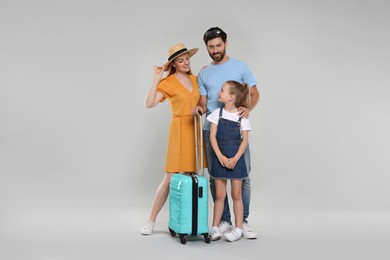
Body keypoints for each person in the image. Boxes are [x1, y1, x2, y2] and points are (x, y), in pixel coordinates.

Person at [194, 27, 260, 239]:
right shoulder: (204, 73)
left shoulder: (241, 67)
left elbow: (255, 93)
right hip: (211, 129)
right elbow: (204, 104)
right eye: (211, 47)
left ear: (226, 43)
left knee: (243, 176)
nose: (215, 50)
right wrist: (197, 109)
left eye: (218, 45)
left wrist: (247, 108)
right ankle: (223, 221)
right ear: (207, 48)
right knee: (216, 177)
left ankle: (243, 222)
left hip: (235, 129)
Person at [141, 43, 200, 235]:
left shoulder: (196, 79)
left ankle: (185, 222)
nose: (185, 63)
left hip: (195, 130)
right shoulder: (169, 82)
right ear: (173, 64)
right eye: (180, 60)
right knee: (169, 178)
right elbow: (149, 103)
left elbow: (205, 103)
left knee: (191, 177)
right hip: (179, 130)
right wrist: (157, 78)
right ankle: (151, 220)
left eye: (187, 59)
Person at [207, 80, 251, 242]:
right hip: (220, 159)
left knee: (236, 195)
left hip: (236, 160)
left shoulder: (242, 116)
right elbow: (212, 137)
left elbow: (244, 141)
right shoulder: (216, 114)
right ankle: (215, 227)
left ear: (231, 97)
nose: (219, 92)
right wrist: (220, 156)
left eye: (222, 90)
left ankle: (239, 228)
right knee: (219, 195)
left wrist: (235, 159)